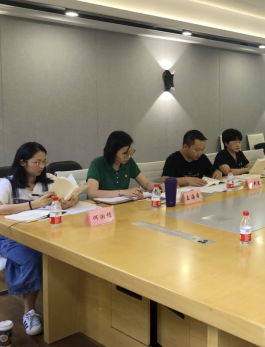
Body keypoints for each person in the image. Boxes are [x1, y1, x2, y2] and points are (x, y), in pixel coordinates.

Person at [0, 142, 80, 336]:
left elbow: (75, 194)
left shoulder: (50, 180)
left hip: (43, 231)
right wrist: (32, 204)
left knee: (71, 249)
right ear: (22, 162)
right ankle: (29, 312)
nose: (42, 166)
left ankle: (68, 305)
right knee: (33, 257)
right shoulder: (7, 183)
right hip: (11, 235)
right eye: (37, 162)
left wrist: (69, 203)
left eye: (44, 161)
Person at [87, 131, 162, 199]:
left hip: (120, 204)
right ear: (112, 152)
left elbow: (146, 184)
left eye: (130, 152)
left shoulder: (129, 162)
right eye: (125, 153)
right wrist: (122, 192)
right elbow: (92, 193)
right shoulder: (97, 163)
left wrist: (159, 185)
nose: (128, 156)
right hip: (98, 206)